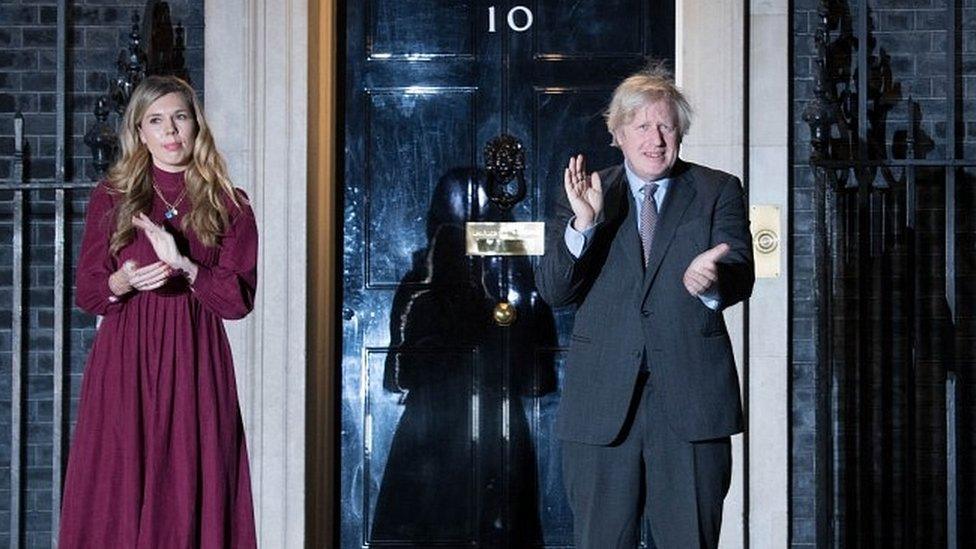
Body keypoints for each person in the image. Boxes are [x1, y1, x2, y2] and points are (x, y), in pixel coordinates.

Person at [535, 62, 754, 548]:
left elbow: (739, 268)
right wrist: (584, 226)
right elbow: (554, 291)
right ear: (617, 133)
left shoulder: (718, 190)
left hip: (692, 407)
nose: (655, 139)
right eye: (642, 127)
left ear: (681, 133)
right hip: (602, 410)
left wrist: (712, 280)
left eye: (666, 127)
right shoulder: (585, 193)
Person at [59, 75, 258, 548]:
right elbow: (87, 292)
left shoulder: (230, 203)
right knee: (119, 485)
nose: (171, 131)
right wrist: (121, 280)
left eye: (180, 117)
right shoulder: (111, 197)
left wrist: (187, 266)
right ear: (140, 133)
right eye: (156, 120)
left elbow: (237, 300)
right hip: (126, 359)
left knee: (188, 480)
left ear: (196, 126)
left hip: (195, 361)